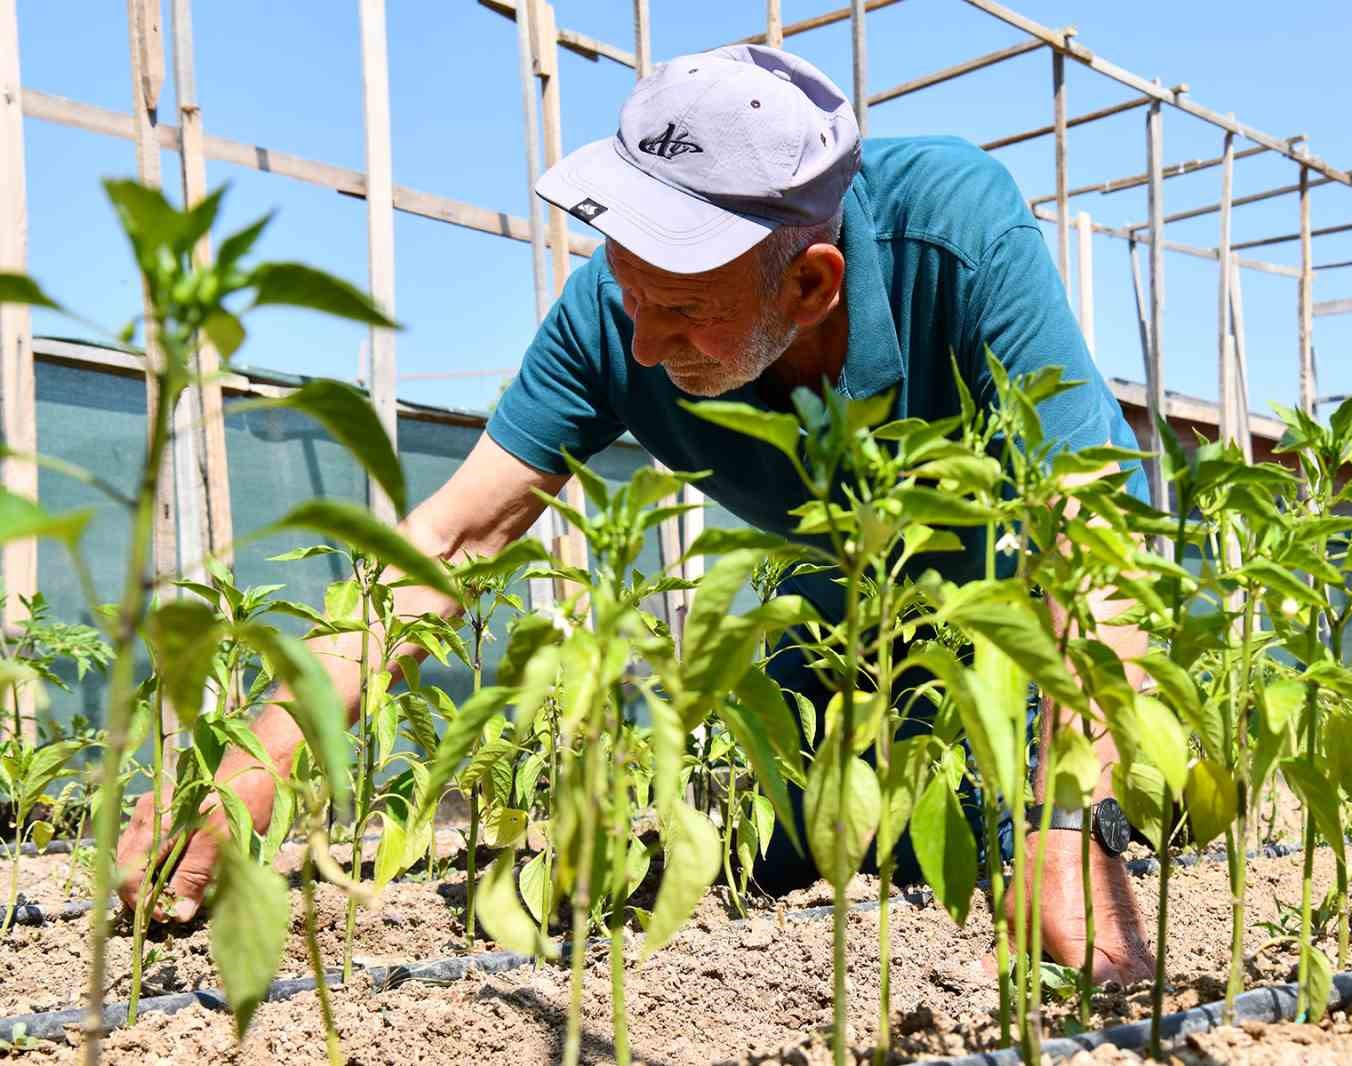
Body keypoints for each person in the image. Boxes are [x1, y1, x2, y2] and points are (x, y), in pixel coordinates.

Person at [116, 45, 1155, 983]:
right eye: (631, 290)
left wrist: (1069, 820)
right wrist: (245, 771)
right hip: (834, 599)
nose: (645, 346)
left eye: (686, 310)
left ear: (810, 284)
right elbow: (451, 540)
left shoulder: (955, 226)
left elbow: (1090, 528)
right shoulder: (611, 315)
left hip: (1018, 611)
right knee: (782, 851)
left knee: (995, 851)